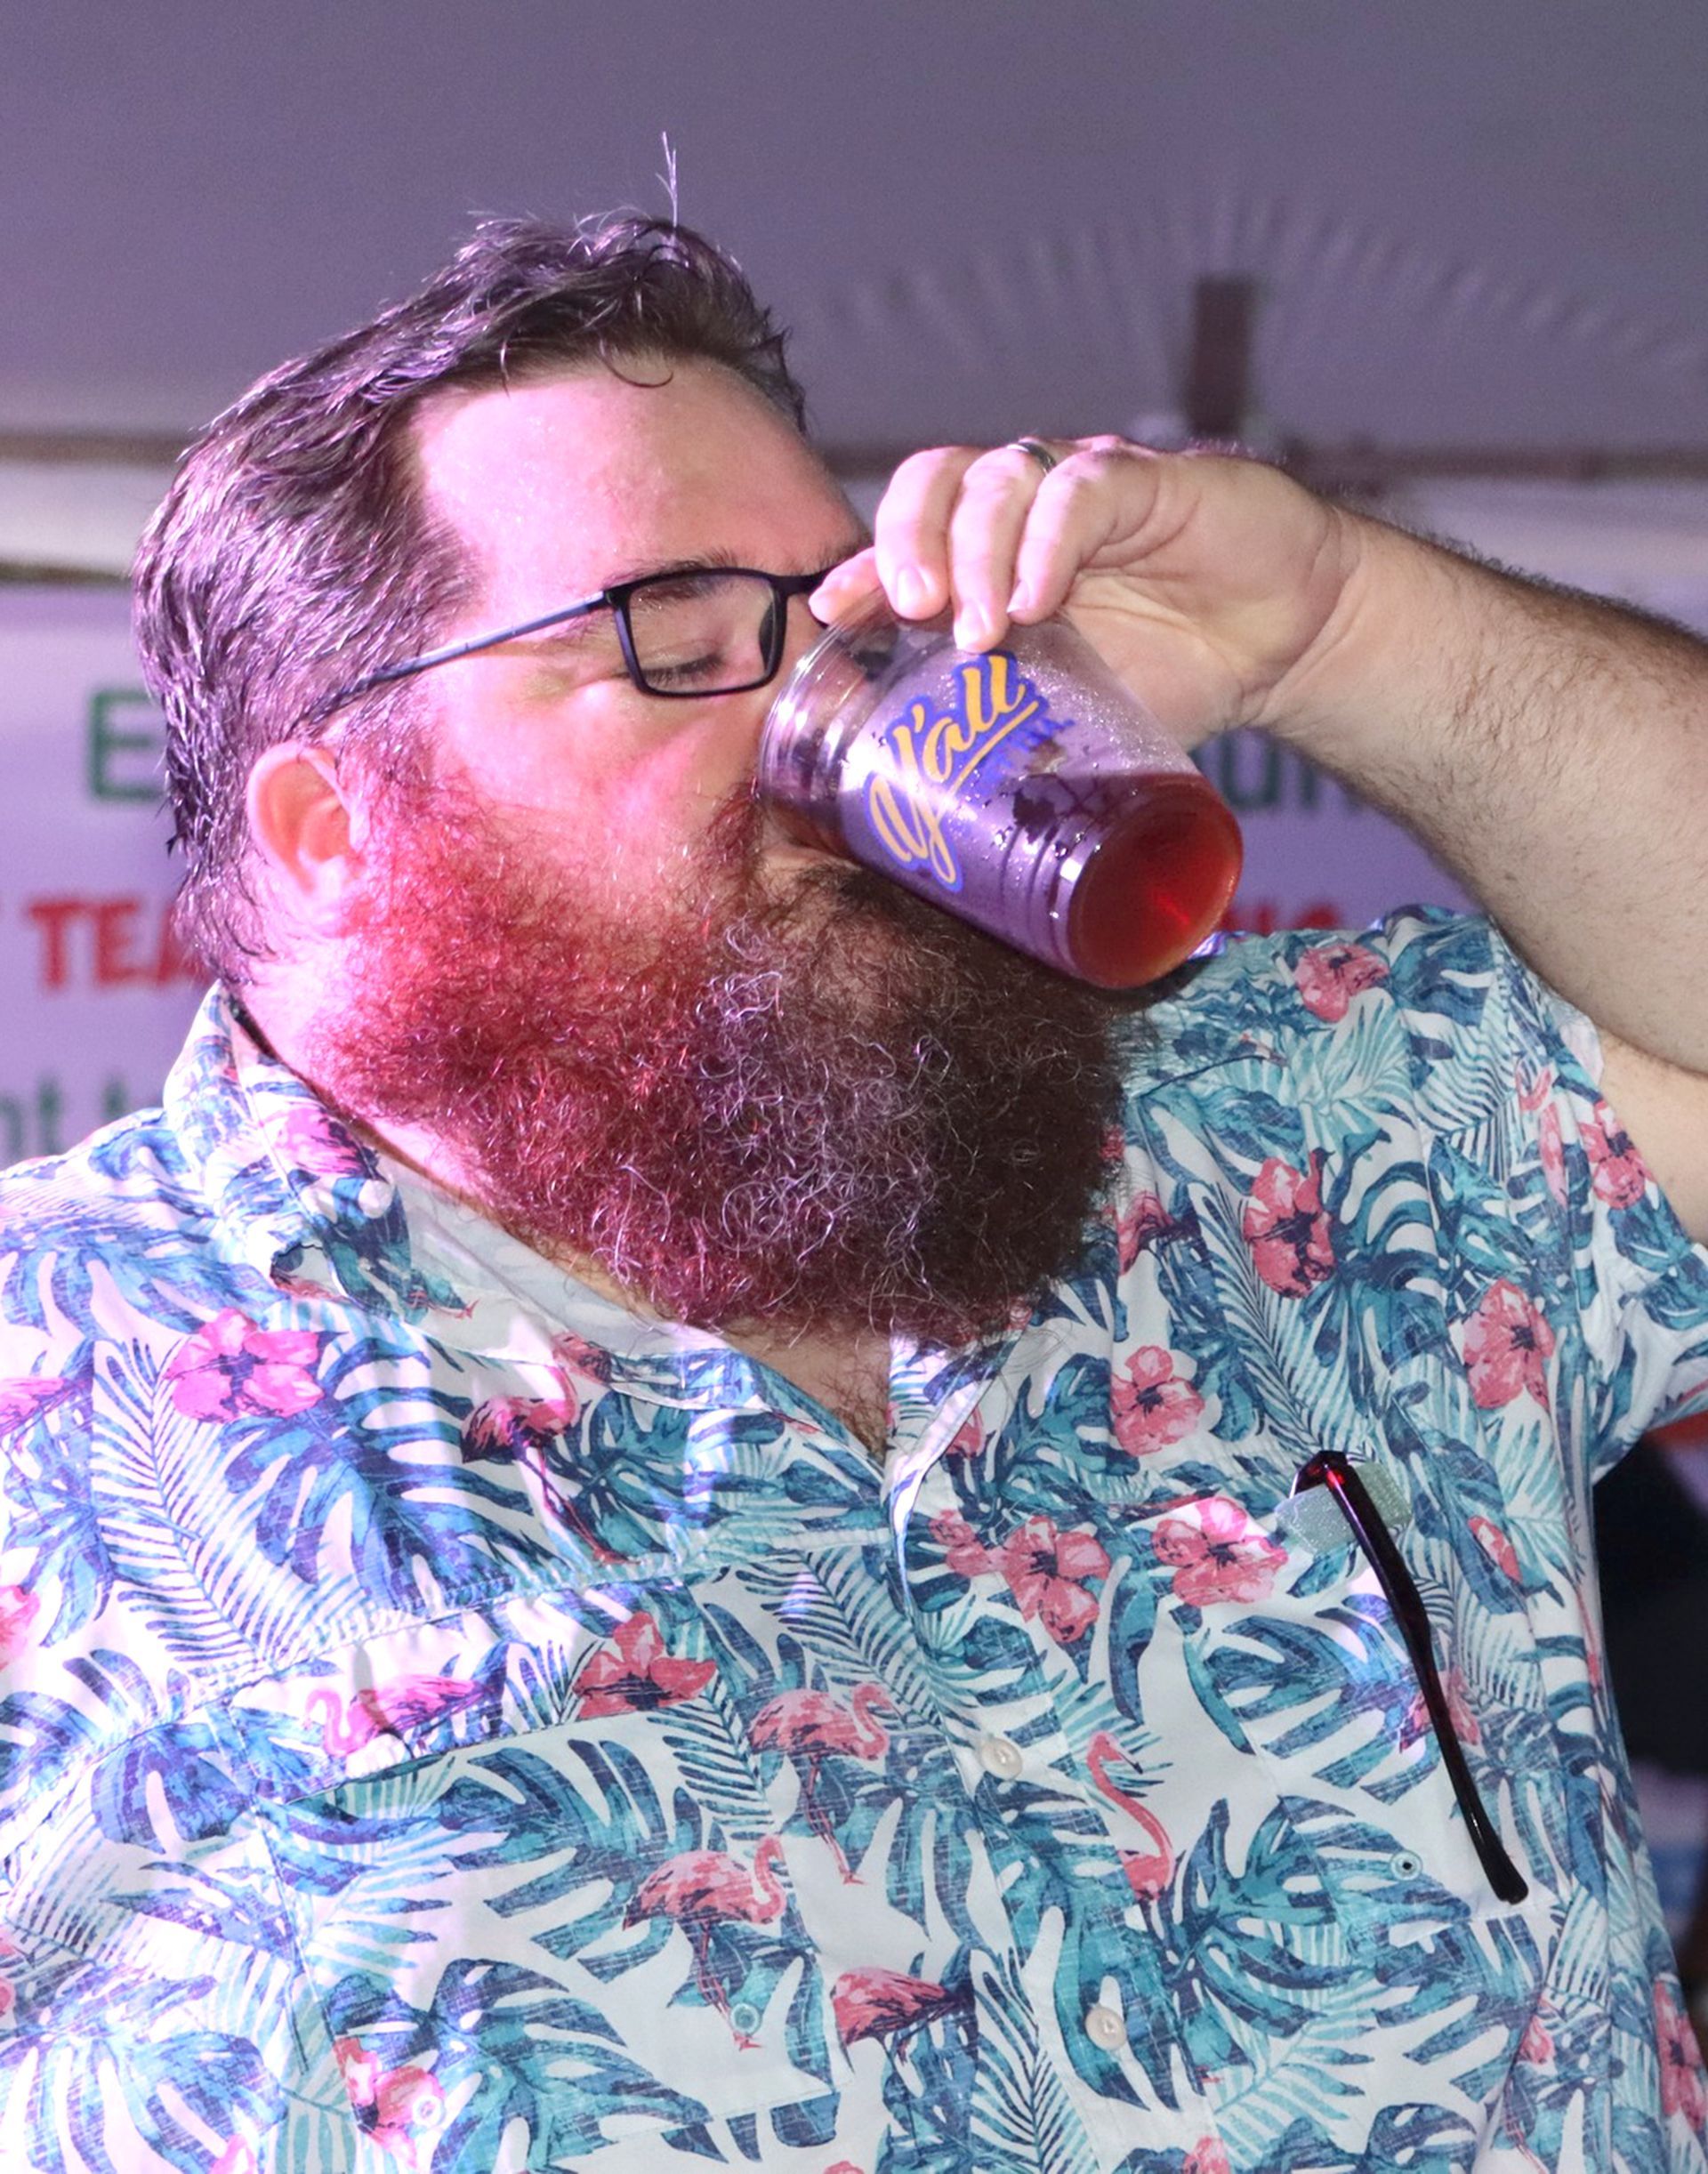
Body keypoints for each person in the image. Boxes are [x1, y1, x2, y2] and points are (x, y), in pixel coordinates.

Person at [1, 215, 1706, 2174]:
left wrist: (1339, 625)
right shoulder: (55, 1379)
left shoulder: (1260, 1138)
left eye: (839, 621)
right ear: (331, 828)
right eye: (678, 635)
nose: (825, 729)